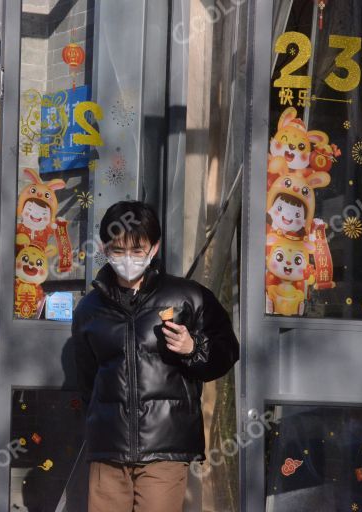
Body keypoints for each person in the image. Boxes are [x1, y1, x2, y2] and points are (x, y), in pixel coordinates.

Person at [73, 201, 240, 512]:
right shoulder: (89, 309)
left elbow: (228, 350)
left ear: (154, 247)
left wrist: (194, 349)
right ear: (104, 249)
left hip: (166, 448)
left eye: (138, 250)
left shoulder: (188, 297)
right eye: (118, 250)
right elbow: (86, 380)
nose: (128, 259)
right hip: (108, 448)